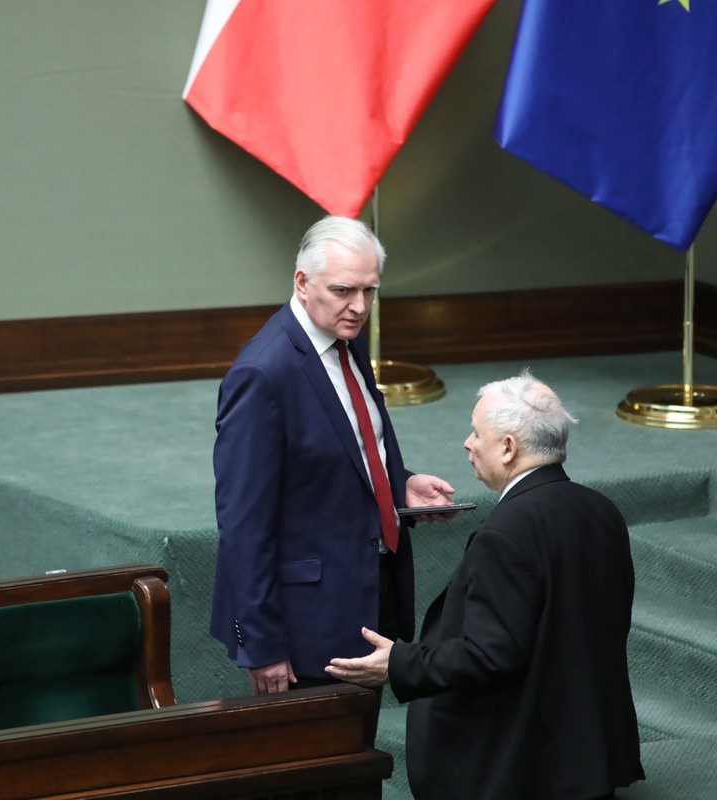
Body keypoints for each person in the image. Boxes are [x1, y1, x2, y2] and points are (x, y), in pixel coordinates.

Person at [326, 372, 644, 800]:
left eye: (477, 433)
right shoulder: (601, 510)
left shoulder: (506, 532)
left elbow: (490, 655)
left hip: (520, 767)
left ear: (509, 447)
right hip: (584, 757)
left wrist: (398, 663)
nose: (467, 443)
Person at [210, 215, 457, 731]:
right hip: (305, 630)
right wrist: (262, 645)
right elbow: (243, 525)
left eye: (370, 291)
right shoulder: (263, 374)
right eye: (344, 290)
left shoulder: (345, 341)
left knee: (356, 760)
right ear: (302, 282)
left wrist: (399, 482)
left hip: (366, 592)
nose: (360, 307)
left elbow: (343, 449)